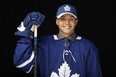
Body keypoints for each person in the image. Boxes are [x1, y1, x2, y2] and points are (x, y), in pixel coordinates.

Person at [13, 4, 103, 77]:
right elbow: (21, 63)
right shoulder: (44, 43)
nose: (67, 22)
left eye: (71, 19)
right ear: (57, 21)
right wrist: (27, 32)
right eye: (63, 18)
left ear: (76, 22)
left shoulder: (88, 47)